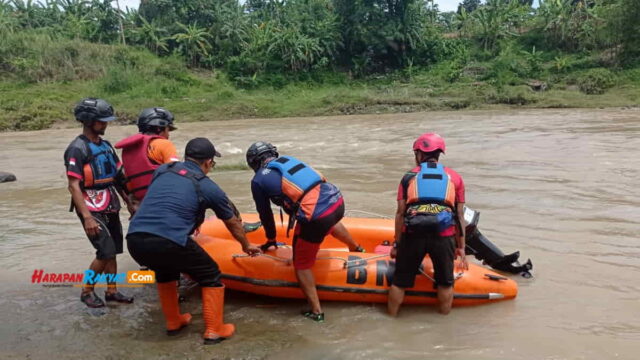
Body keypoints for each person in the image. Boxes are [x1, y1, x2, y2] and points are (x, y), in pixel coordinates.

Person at [126, 137, 261, 344]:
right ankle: (215, 330)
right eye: (212, 164)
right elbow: (232, 222)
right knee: (210, 274)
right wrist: (246, 245)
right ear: (207, 162)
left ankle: (174, 321)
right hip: (169, 238)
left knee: (165, 271)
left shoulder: (163, 170)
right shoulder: (207, 186)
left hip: (135, 238)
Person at [246, 141, 363, 322]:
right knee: (329, 221)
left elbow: (265, 215)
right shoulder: (288, 160)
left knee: (301, 265)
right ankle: (356, 248)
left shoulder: (258, 180)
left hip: (316, 214)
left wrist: (271, 239)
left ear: (254, 162)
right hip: (337, 201)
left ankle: (316, 311)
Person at [63, 98, 135, 308]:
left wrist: (129, 202)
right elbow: (73, 186)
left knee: (113, 250)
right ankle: (87, 290)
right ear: (89, 121)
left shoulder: (105, 146)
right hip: (89, 207)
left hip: (109, 202)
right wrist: (87, 218)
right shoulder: (77, 149)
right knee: (105, 251)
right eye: (101, 121)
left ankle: (111, 291)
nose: (105, 125)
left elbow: (119, 177)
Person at [387, 133, 468, 316]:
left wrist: (397, 244)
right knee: (446, 283)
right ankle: (444, 322)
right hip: (444, 234)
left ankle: (392, 318)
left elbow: (400, 213)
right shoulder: (455, 178)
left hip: (412, 233)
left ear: (419, 154)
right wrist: (461, 247)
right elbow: (459, 215)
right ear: (439, 153)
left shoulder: (408, 177)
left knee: (399, 282)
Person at [115, 107, 179, 205]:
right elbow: (177, 176)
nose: (168, 134)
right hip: (163, 202)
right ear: (159, 128)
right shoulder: (164, 144)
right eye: (167, 129)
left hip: (141, 205)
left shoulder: (128, 148)